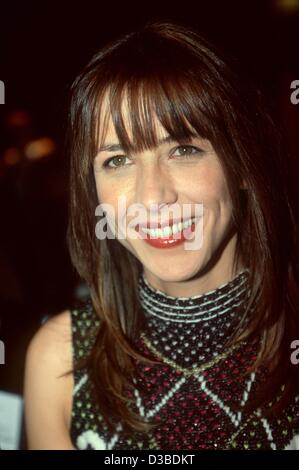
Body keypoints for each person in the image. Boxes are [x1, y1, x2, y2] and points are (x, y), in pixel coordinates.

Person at [23, 20, 299, 450]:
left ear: (243, 164)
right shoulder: (60, 359)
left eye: (183, 150)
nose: (152, 197)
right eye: (117, 160)